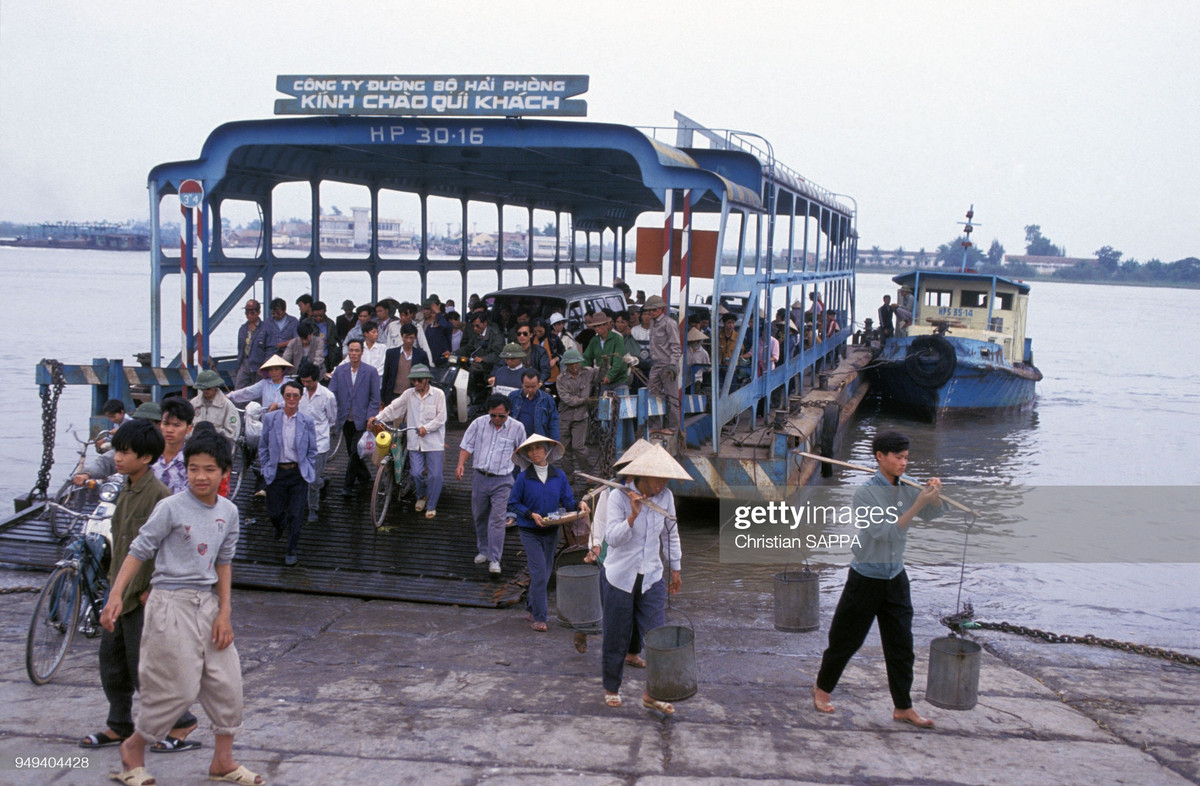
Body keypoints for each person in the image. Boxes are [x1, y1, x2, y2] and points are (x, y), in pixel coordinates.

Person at [100, 433, 264, 786]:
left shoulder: (229, 512)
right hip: (169, 604)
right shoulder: (170, 507)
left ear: (224, 473)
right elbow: (138, 550)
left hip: (207, 604)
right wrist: (116, 596)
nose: (200, 476)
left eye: (209, 469)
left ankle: (223, 761)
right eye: (193, 469)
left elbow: (223, 562)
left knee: (227, 683)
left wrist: (224, 613)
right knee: (174, 688)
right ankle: (133, 750)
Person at [79, 420, 200, 755]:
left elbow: (174, 548)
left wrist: (153, 589)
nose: (118, 457)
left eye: (126, 452)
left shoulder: (159, 498)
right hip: (120, 594)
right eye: (117, 450)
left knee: (147, 667)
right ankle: (119, 724)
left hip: (144, 598)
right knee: (112, 663)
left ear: (146, 457)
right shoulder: (127, 489)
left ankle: (182, 720)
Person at [812, 429, 944, 729]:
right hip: (866, 577)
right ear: (880, 457)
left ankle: (903, 706)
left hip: (896, 577)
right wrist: (918, 504)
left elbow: (934, 515)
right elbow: (884, 533)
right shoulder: (865, 494)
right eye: (898, 457)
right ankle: (821, 690)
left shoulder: (907, 487)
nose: (904, 463)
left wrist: (934, 497)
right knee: (846, 640)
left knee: (901, 645)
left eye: (907, 458)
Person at [600, 443, 687, 714]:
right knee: (616, 635)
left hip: (651, 575)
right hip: (620, 576)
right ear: (640, 475)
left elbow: (670, 533)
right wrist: (632, 516)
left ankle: (653, 693)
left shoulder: (666, 498)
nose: (660, 484)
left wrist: (675, 568)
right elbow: (611, 538)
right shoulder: (617, 497)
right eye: (656, 478)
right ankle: (611, 688)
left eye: (664, 479)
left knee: (658, 636)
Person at [505, 435, 588, 631]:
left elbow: (567, 500)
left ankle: (531, 608)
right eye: (530, 450)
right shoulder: (523, 478)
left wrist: (579, 504)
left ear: (547, 451)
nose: (535, 453)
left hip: (551, 530)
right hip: (529, 530)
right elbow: (513, 504)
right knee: (539, 572)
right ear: (526, 455)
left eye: (538, 448)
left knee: (545, 571)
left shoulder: (558, 476)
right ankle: (540, 618)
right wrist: (530, 514)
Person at [455, 394, 527, 575]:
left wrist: (526, 479)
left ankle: (495, 559)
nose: (496, 419)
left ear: (508, 413)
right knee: (479, 516)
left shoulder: (517, 428)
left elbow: (523, 454)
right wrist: (460, 464)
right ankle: (483, 550)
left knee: (497, 520)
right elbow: (467, 445)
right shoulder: (478, 423)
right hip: (480, 477)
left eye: (501, 416)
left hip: (503, 480)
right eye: (493, 415)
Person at [369, 364, 446, 519]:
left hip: (434, 442)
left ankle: (431, 505)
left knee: (435, 475)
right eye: (413, 381)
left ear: (427, 380)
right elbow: (393, 408)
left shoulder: (439, 394)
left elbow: (441, 418)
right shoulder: (408, 394)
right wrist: (377, 419)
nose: (416, 384)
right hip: (414, 440)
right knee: (416, 473)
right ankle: (422, 495)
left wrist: (427, 428)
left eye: (419, 380)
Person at [258, 380, 318, 567]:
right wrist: (266, 465)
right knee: (274, 511)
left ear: (301, 398)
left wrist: (308, 466)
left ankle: (291, 550)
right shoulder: (271, 419)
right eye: (288, 395)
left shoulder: (307, 421)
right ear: (283, 397)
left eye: (295, 396)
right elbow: (263, 446)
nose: (291, 399)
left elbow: (312, 449)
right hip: (276, 471)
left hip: (297, 473)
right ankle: (279, 524)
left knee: (297, 513)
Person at [329, 338, 381, 497]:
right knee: (354, 451)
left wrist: (370, 417)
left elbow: (375, 398)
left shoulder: (371, 371)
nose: (353, 354)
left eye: (357, 350)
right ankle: (364, 475)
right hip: (345, 418)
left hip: (363, 419)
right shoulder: (340, 371)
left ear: (362, 352)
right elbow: (331, 393)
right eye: (351, 350)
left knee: (353, 452)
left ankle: (347, 486)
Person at [296, 362, 337, 524]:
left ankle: (313, 508)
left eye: (309, 382)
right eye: (303, 382)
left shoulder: (328, 396)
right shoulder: (300, 393)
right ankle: (322, 482)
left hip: (320, 442)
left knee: (311, 480)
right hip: (301, 442)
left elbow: (332, 418)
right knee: (304, 476)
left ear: (316, 379)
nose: (306, 385)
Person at [644, 294, 682, 434]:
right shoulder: (653, 323)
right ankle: (655, 425)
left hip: (667, 365)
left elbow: (676, 347)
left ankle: (673, 428)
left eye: (653, 310)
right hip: (656, 364)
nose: (650, 313)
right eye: (649, 311)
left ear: (661, 309)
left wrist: (672, 365)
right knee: (653, 394)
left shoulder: (669, 323)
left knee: (672, 397)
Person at [556, 349, 596, 480]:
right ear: (566, 365)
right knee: (564, 449)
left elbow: (602, 374)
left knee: (579, 447)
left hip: (581, 417)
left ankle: (588, 474)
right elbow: (567, 399)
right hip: (565, 417)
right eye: (571, 364)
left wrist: (606, 362)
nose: (574, 367)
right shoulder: (561, 379)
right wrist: (584, 400)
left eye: (576, 363)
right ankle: (569, 476)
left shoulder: (588, 372)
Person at [380, 323, 430, 406]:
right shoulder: (391, 353)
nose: (408, 341)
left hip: (414, 394)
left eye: (411, 338)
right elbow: (386, 376)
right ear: (401, 336)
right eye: (406, 337)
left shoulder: (421, 355)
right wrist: (383, 398)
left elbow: (427, 377)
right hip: (394, 395)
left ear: (415, 338)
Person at [228, 355, 295, 413]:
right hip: (268, 418)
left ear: (282, 370)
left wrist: (278, 405)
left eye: (276, 369)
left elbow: (296, 400)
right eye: (271, 370)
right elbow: (249, 391)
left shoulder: (291, 384)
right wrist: (230, 395)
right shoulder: (264, 383)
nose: (274, 372)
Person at [190, 370, 241, 446]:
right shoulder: (194, 403)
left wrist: (213, 433)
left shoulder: (227, 405)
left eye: (208, 388)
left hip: (218, 449)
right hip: (196, 448)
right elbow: (186, 428)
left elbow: (233, 434)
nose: (205, 391)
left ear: (215, 386)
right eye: (202, 389)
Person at [508, 370, 560, 441]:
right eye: (527, 386)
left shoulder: (547, 399)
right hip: (516, 439)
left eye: (533, 387)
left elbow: (553, 424)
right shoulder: (513, 397)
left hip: (539, 440)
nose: (530, 390)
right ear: (522, 384)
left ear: (539, 384)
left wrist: (555, 442)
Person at [582, 311, 627, 392]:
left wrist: (609, 376)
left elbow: (618, 361)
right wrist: (584, 371)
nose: (597, 328)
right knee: (604, 403)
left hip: (619, 380)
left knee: (620, 403)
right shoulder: (594, 340)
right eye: (595, 326)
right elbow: (586, 357)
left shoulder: (617, 338)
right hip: (603, 381)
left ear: (606, 325)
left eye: (599, 325)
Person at [234, 300, 267, 389]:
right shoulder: (243, 329)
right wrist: (239, 363)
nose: (249, 315)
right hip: (245, 362)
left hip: (260, 363)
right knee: (239, 388)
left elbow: (270, 349)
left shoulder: (266, 328)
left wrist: (265, 366)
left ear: (258, 312)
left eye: (252, 313)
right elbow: (240, 348)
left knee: (259, 389)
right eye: (247, 313)